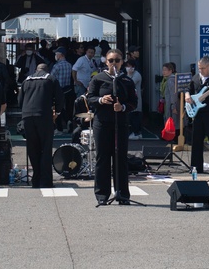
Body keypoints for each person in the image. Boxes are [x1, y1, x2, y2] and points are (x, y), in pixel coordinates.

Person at [86, 49, 137, 204]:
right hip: (102, 123)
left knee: (120, 158)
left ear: (122, 62)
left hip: (120, 123)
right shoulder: (99, 78)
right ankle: (102, 194)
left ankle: (122, 194)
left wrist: (122, 107)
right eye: (111, 60)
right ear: (106, 62)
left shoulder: (127, 80)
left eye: (117, 60)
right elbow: (90, 98)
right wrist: (101, 100)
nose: (114, 63)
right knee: (103, 157)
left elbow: (134, 103)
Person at [19, 63, 65, 188]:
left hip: (27, 116)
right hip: (44, 115)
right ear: (47, 70)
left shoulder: (27, 80)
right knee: (45, 147)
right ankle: (45, 181)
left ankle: (35, 179)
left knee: (32, 147)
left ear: (36, 70)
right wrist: (58, 112)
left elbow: (20, 100)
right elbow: (60, 98)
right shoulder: (50, 79)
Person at [50, 48, 74, 133]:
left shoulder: (57, 66)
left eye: (56, 54)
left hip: (58, 90)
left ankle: (59, 128)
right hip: (67, 89)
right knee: (65, 108)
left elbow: (51, 77)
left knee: (57, 109)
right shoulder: (69, 65)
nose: (55, 56)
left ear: (60, 55)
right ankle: (68, 122)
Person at [125, 59, 143, 139]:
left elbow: (130, 83)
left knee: (136, 116)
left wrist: (128, 74)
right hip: (130, 99)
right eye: (127, 66)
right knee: (131, 116)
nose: (128, 68)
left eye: (130, 66)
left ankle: (137, 133)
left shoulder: (137, 74)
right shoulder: (127, 74)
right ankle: (135, 132)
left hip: (136, 99)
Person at [160, 62, 179, 129]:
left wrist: (173, 106)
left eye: (165, 70)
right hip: (167, 103)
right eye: (163, 70)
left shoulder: (171, 80)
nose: (163, 72)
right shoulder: (166, 79)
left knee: (171, 122)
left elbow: (173, 94)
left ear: (170, 71)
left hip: (171, 105)